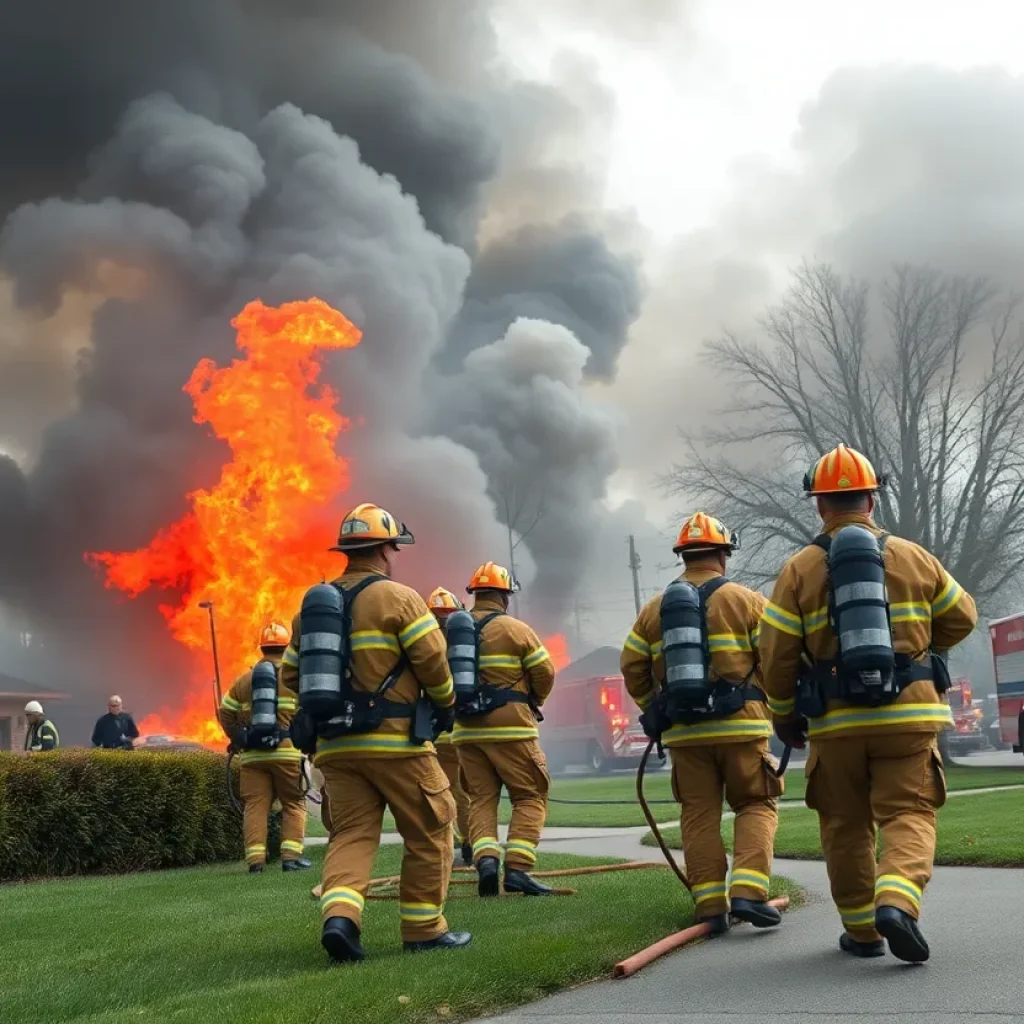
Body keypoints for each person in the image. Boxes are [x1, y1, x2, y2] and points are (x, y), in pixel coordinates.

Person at [759, 444, 977, 963]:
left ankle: (861, 933)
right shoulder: (913, 556)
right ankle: (897, 901)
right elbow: (963, 616)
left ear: (820, 506)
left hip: (835, 725)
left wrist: (785, 714)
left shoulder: (798, 570)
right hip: (909, 716)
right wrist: (924, 645)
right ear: (871, 501)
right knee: (909, 812)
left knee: (844, 823)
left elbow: (775, 656)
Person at [280, 502, 470, 962]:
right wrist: (445, 704)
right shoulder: (401, 599)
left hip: (336, 750)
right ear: (386, 548)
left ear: (346, 550)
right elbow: (433, 662)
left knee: (350, 836)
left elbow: (289, 675)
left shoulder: (313, 608)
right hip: (398, 745)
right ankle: (423, 928)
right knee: (429, 830)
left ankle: (340, 922)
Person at [621, 512, 782, 934]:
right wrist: (772, 704)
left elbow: (631, 666)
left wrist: (654, 707)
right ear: (723, 555)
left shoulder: (653, 610)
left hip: (684, 733)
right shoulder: (747, 601)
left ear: (684, 556)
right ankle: (748, 891)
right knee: (755, 803)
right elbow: (774, 659)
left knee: (698, 814)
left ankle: (710, 905)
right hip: (743, 728)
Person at [453, 562, 556, 897]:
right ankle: (518, 869)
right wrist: (533, 700)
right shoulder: (516, 630)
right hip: (512, 729)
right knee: (529, 795)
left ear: (475, 594)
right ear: (504, 595)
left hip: (466, 732)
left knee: (482, 797)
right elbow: (545, 672)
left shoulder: (453, 634)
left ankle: (485, 861)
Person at [218, 621, 311, 874]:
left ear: (262, 647)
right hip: (287, 752)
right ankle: (291, 858)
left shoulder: (244, 680)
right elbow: (309, 712)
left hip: (252, 757)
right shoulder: (294, 677)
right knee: (293, 803)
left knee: (255, 806)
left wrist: (239, 737)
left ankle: (255, 862)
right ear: (286, 646)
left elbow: (225, 714)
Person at [427, 586, 474, 866]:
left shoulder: (424, 643)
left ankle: (445, 845)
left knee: (439, 792)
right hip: (465, 732)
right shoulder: (465, 645)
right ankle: (470, 845)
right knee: (467, 793)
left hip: (437, 733)